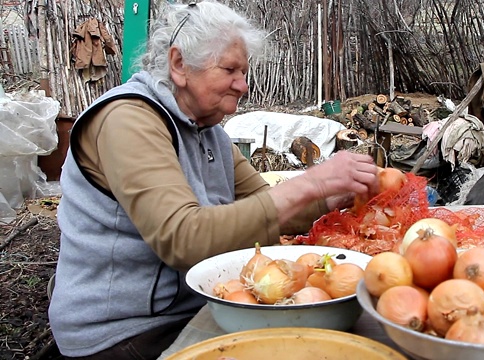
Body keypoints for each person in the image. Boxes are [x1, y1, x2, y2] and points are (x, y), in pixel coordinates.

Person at [47, 1, 379, 359]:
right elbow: (183, 238)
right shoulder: (127, 121)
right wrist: (312, 183)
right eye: (230, 69)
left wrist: (328, 198)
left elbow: (264, 209)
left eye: (244, 71)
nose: (244, 84)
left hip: (195, 305)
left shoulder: (210, 135)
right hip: (124, 330)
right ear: (179, 65)